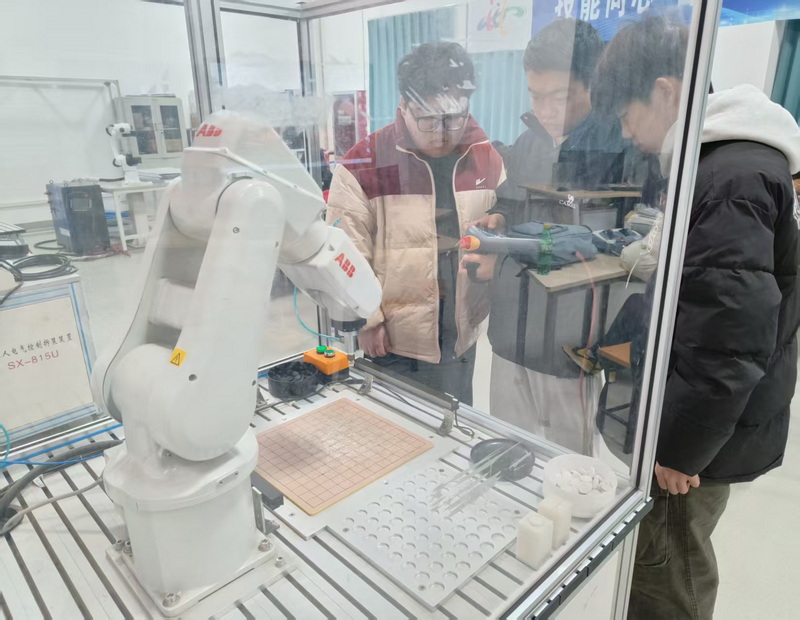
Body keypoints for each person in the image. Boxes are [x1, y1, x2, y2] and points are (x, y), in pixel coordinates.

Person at [591, 16, 800, 619]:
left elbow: (729, 337)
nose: (627, 133)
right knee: (667, 561)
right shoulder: (730, 164)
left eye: (626, 114)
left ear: (665, 91)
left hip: (695, 444)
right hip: (708, 423)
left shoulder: (729, 177)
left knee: (668, 574)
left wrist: (682, 448)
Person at [465, 19, 647, 451]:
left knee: (569, 464)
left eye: (560, 96)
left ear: (593, 84)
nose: (545, 109)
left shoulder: (622, 149)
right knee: (508, 453)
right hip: (511, 337)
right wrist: (498, 218)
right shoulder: (529, 143)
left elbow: (631, 245)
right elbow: (510, 202)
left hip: (573, 348)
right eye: (535, 95)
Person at [326, 42, 504, 404]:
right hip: (392, 341)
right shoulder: (364, 163)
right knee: (396, 429)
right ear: (404, 106)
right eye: (427, 119)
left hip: (460, 337)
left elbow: (503, 230)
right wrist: (367, 320)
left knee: (455, 423)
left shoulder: (485, 156)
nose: (442, 131)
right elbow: (344, 253)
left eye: (453, 117)